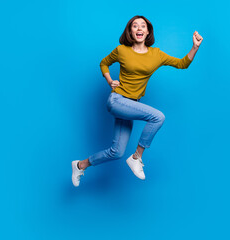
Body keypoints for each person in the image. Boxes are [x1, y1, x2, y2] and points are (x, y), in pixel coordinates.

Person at [72, 15, 203, 186]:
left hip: (132, 105)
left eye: (143, 26)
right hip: (117, 100)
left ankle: (80, 165)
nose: (139, 28)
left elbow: (182, 64)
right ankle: (136, 157)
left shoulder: (156, 54)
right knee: (158, 117)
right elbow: (104, 63)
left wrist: (195, 47)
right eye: (135, 26)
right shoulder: (121, 51)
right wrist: (110, 80)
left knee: (117, 152)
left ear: (148, 31)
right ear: (130, 31)